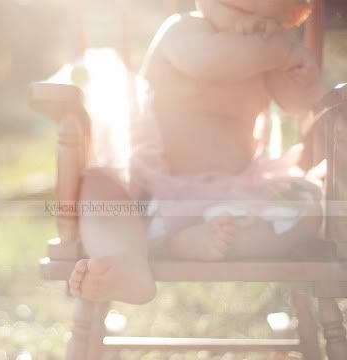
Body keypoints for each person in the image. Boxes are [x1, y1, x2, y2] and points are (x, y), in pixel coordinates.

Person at [68, 0, 321, 304]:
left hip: (232, 202)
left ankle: (188, 244)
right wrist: (279, 52)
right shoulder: (183, 31)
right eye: (239, 10)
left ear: (286, 20)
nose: (249, 26)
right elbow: (209, 62)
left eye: (264, 19)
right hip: (151, 196)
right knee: (98, 187)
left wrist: (302, 75)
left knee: (308, 211)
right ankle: (126, 262)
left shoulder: (266, 50)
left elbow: (295, 105)